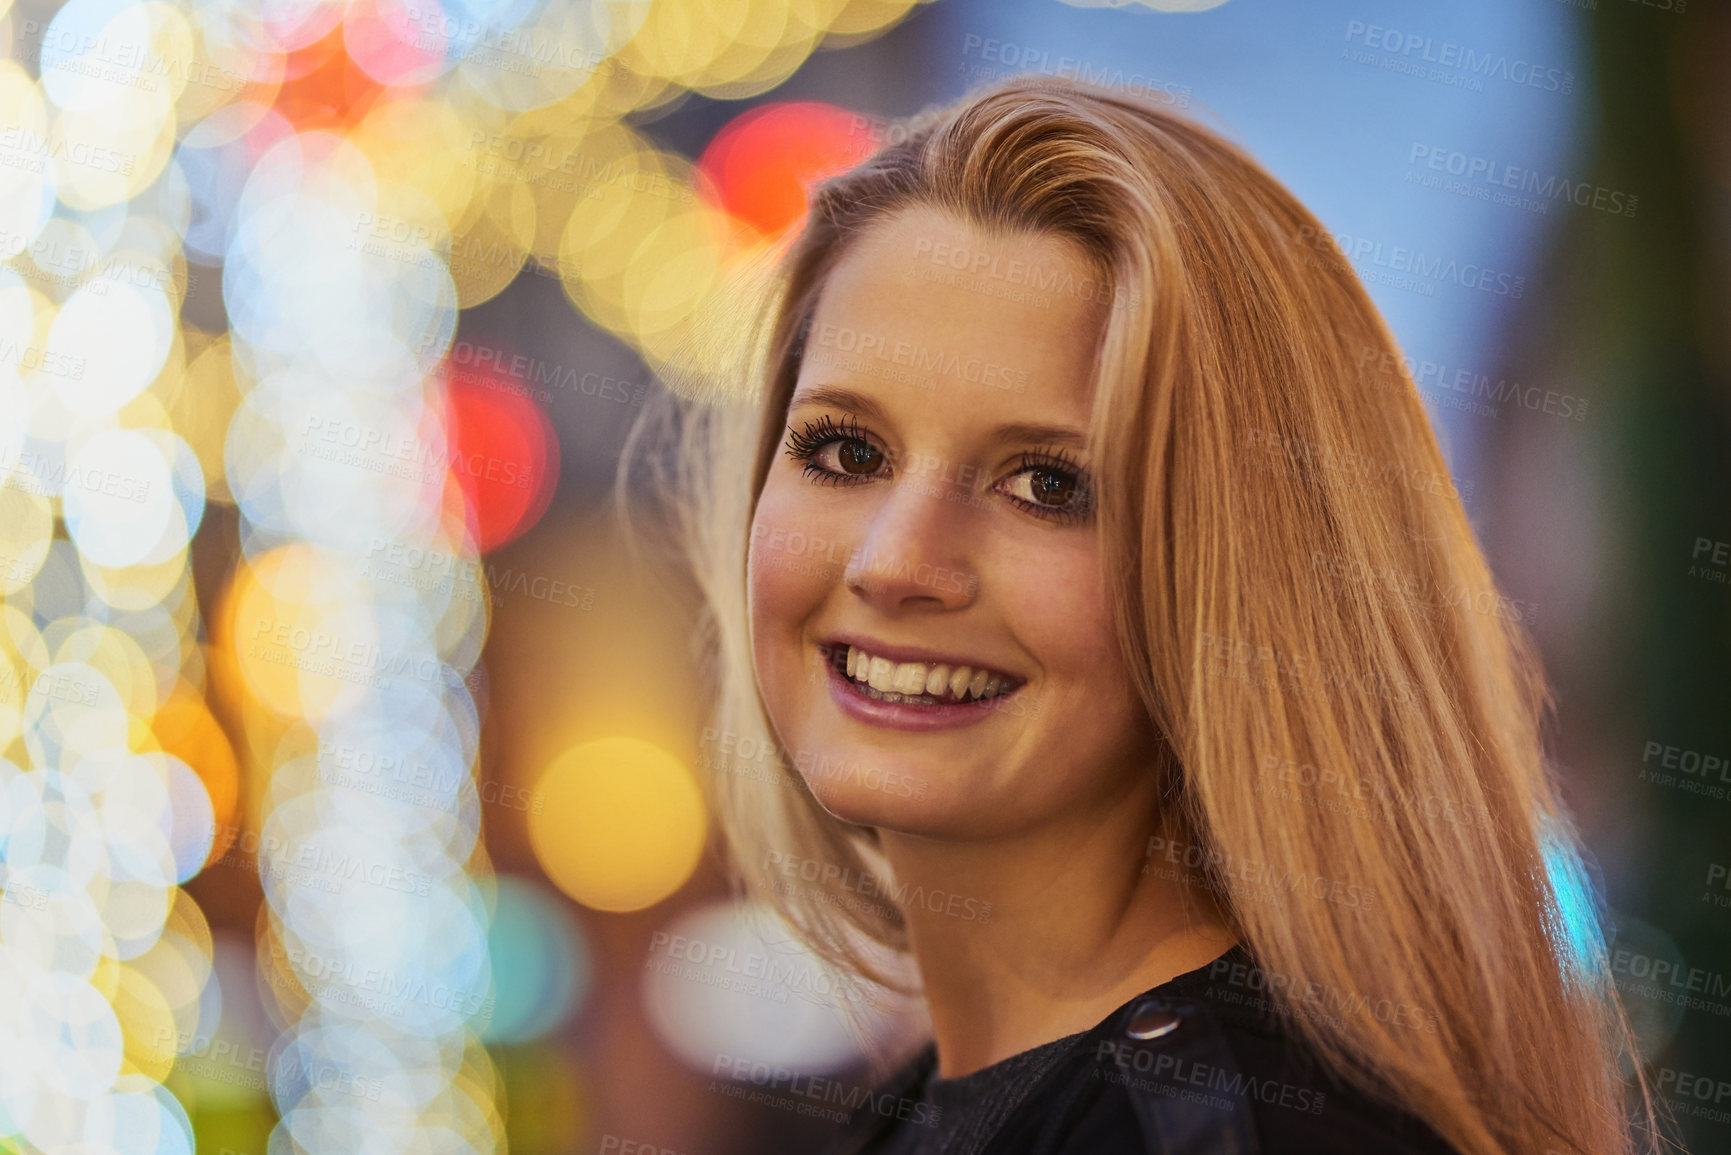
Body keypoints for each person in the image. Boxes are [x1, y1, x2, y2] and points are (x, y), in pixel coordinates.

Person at [624, 76, 1669, 1154]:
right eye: (846, 452)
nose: (897, 563)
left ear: (1250, 580)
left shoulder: (1235, 1127)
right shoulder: (956, 1103)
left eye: (1048, 485)